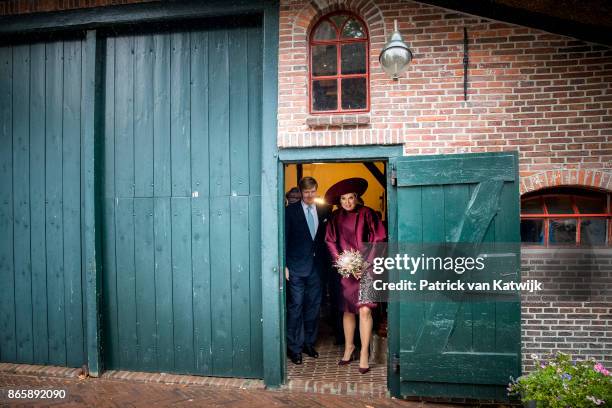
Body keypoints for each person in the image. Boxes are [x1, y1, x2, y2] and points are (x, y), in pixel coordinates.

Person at [324, 178, 386, 374]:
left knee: (365, 310)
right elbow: (330, 242)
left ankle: (365, 352)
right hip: (347, 270)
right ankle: (349, 347)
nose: (347, 202)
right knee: (348, 310)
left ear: (356, 198)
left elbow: (379, 238)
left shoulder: (368, 214)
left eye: (350, 198)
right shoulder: (335, 217)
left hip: (368, 268)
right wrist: (345, 263)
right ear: (339, 200)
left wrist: (366, 263)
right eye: (343, 199)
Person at [285, 177, 330, 365]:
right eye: (306, 192)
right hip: (295, 268)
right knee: (296, 307)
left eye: (313, 191)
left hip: (317, 269)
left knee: (313, 308)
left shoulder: (324, 210)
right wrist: (284, 265)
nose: (310, 195)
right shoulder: (290, 212)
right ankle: (294, 348)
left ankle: (308, 343)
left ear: (316, 190)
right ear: (301, 193)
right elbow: (284, 240)